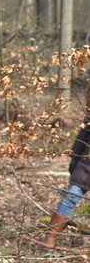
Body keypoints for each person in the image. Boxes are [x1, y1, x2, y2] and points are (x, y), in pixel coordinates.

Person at [43, 90, 90, 248]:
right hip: (86, 167)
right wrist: (74, 159)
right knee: (70, 198)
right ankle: (50, 238)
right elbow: (81, 138)